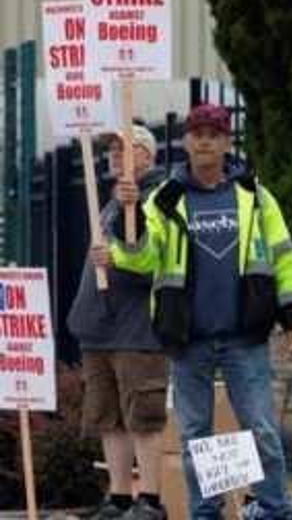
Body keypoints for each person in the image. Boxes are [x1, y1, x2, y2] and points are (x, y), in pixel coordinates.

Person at [91, 104, 292, 520]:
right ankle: (205, 513)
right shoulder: (165, 200)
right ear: (186, 142)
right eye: (197, 133)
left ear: (227, 142)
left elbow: (284, 256)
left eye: (214, 133)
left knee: (261, 430)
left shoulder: (255, 197)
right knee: (195, 437)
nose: (205, 140)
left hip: (245, 336)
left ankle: (275, 509)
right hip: (188, 337)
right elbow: (142, 258)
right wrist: (123, 221)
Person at [70, 126, 170, 520]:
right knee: (108, 417)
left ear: (147, 155)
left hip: (136, 330)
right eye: (110, 148)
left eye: (124, 147)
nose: (114, 153)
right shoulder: (111, 201)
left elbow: (151, 257)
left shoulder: (157, 199)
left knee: (142, 415)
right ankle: (120, 498)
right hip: (100, 329)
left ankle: (150, 499)